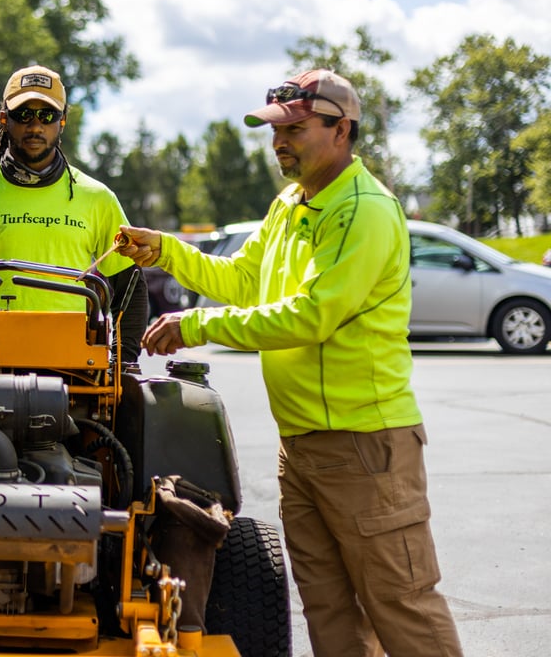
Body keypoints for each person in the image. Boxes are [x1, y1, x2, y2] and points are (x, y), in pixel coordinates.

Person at [118, 70, 463, 656]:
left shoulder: (364, 211)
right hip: (301, 444)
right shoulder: (290, 204)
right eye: (275, 130)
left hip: (365, 442)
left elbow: (310, 316)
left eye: (295, 129)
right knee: (328, 607)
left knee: (401, 604)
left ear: (342, 130)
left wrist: (196, 326)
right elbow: (246, 279)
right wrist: (167, 250)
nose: (280, 141)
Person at [0, 65, 149, 364]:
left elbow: (129, 285)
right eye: (23, 114)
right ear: (5, 119)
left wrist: (124, 363)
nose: (35, 126)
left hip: (74, 366)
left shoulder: (98, 198)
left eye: (47, 115)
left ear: (63, 121)